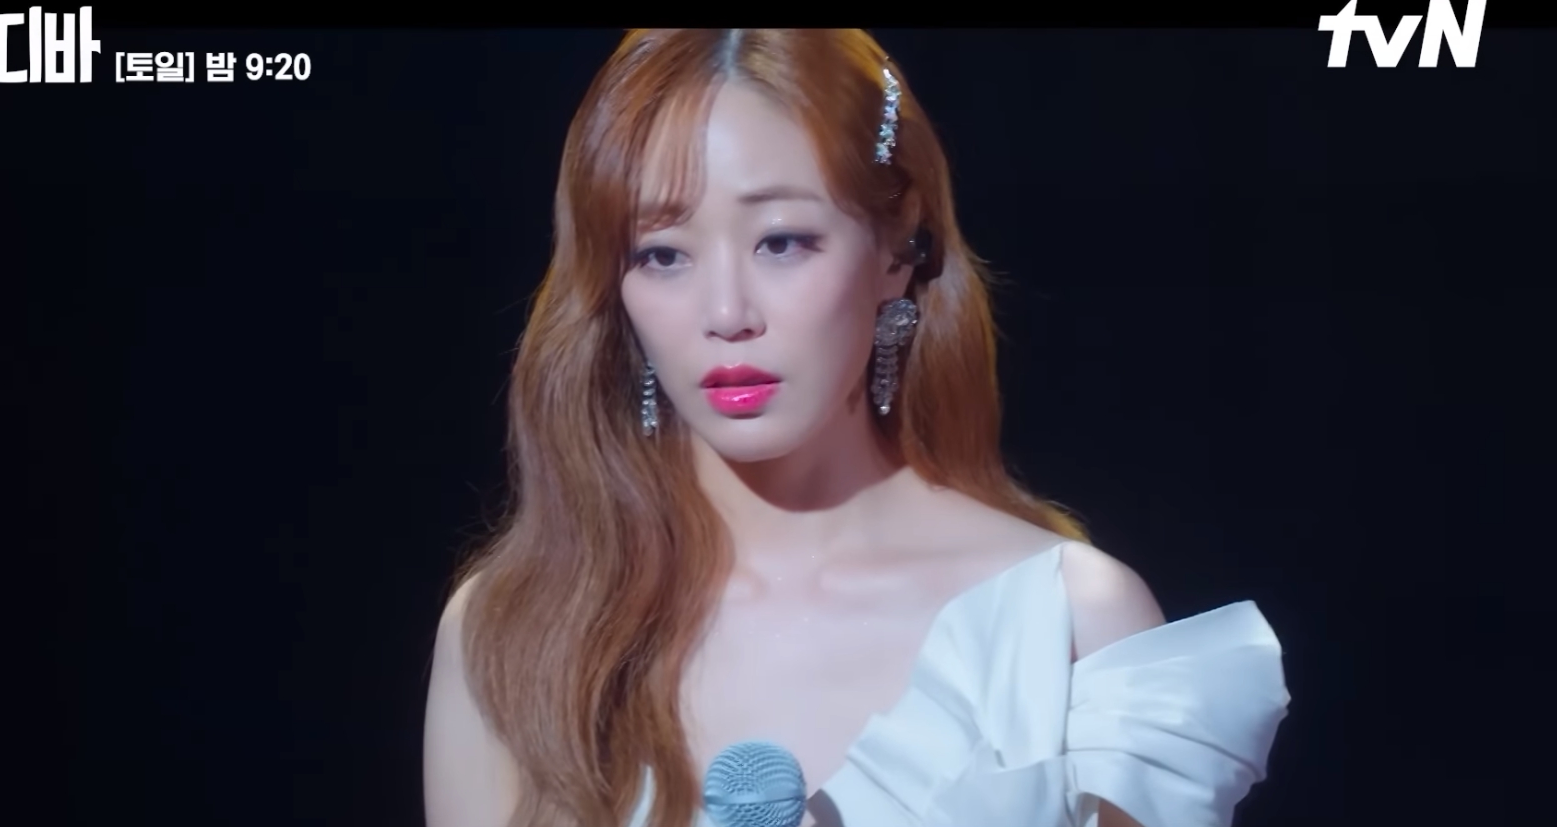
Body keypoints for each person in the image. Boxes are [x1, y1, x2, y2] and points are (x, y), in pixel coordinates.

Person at [424, 28, 1288, 827]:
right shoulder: (517, 629)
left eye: (781, 241)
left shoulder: (1068, 626)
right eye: (662, 254)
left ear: (897, 250)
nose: (725, 312)